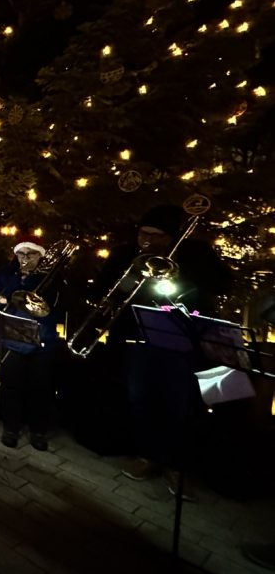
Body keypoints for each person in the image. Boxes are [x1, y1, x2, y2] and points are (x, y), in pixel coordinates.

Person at [94, 205, 231, 497]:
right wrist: (124, 278)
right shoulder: (126, 253)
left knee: (179, 404)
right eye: (143, 233)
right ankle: (147, 455)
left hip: (181, 342)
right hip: (138, 339)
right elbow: (104, 289)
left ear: (171, 237)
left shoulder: (194, 253)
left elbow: (222, 284)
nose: (147, 241)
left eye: (156, 236)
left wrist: (187, 275)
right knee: (140, 398)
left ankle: (175, 464)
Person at [0, 233, 62, 450]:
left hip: (42, 340)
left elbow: (56, 307)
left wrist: (30, 284)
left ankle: (38, 431)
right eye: (21, 254)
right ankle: (11, 428)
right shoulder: (7, 273)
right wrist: (5, 294)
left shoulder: (52, 277)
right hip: (11, 338)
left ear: (40, 256)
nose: (25, 258)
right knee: (10, 385)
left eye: (31, 254)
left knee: (41, 388)